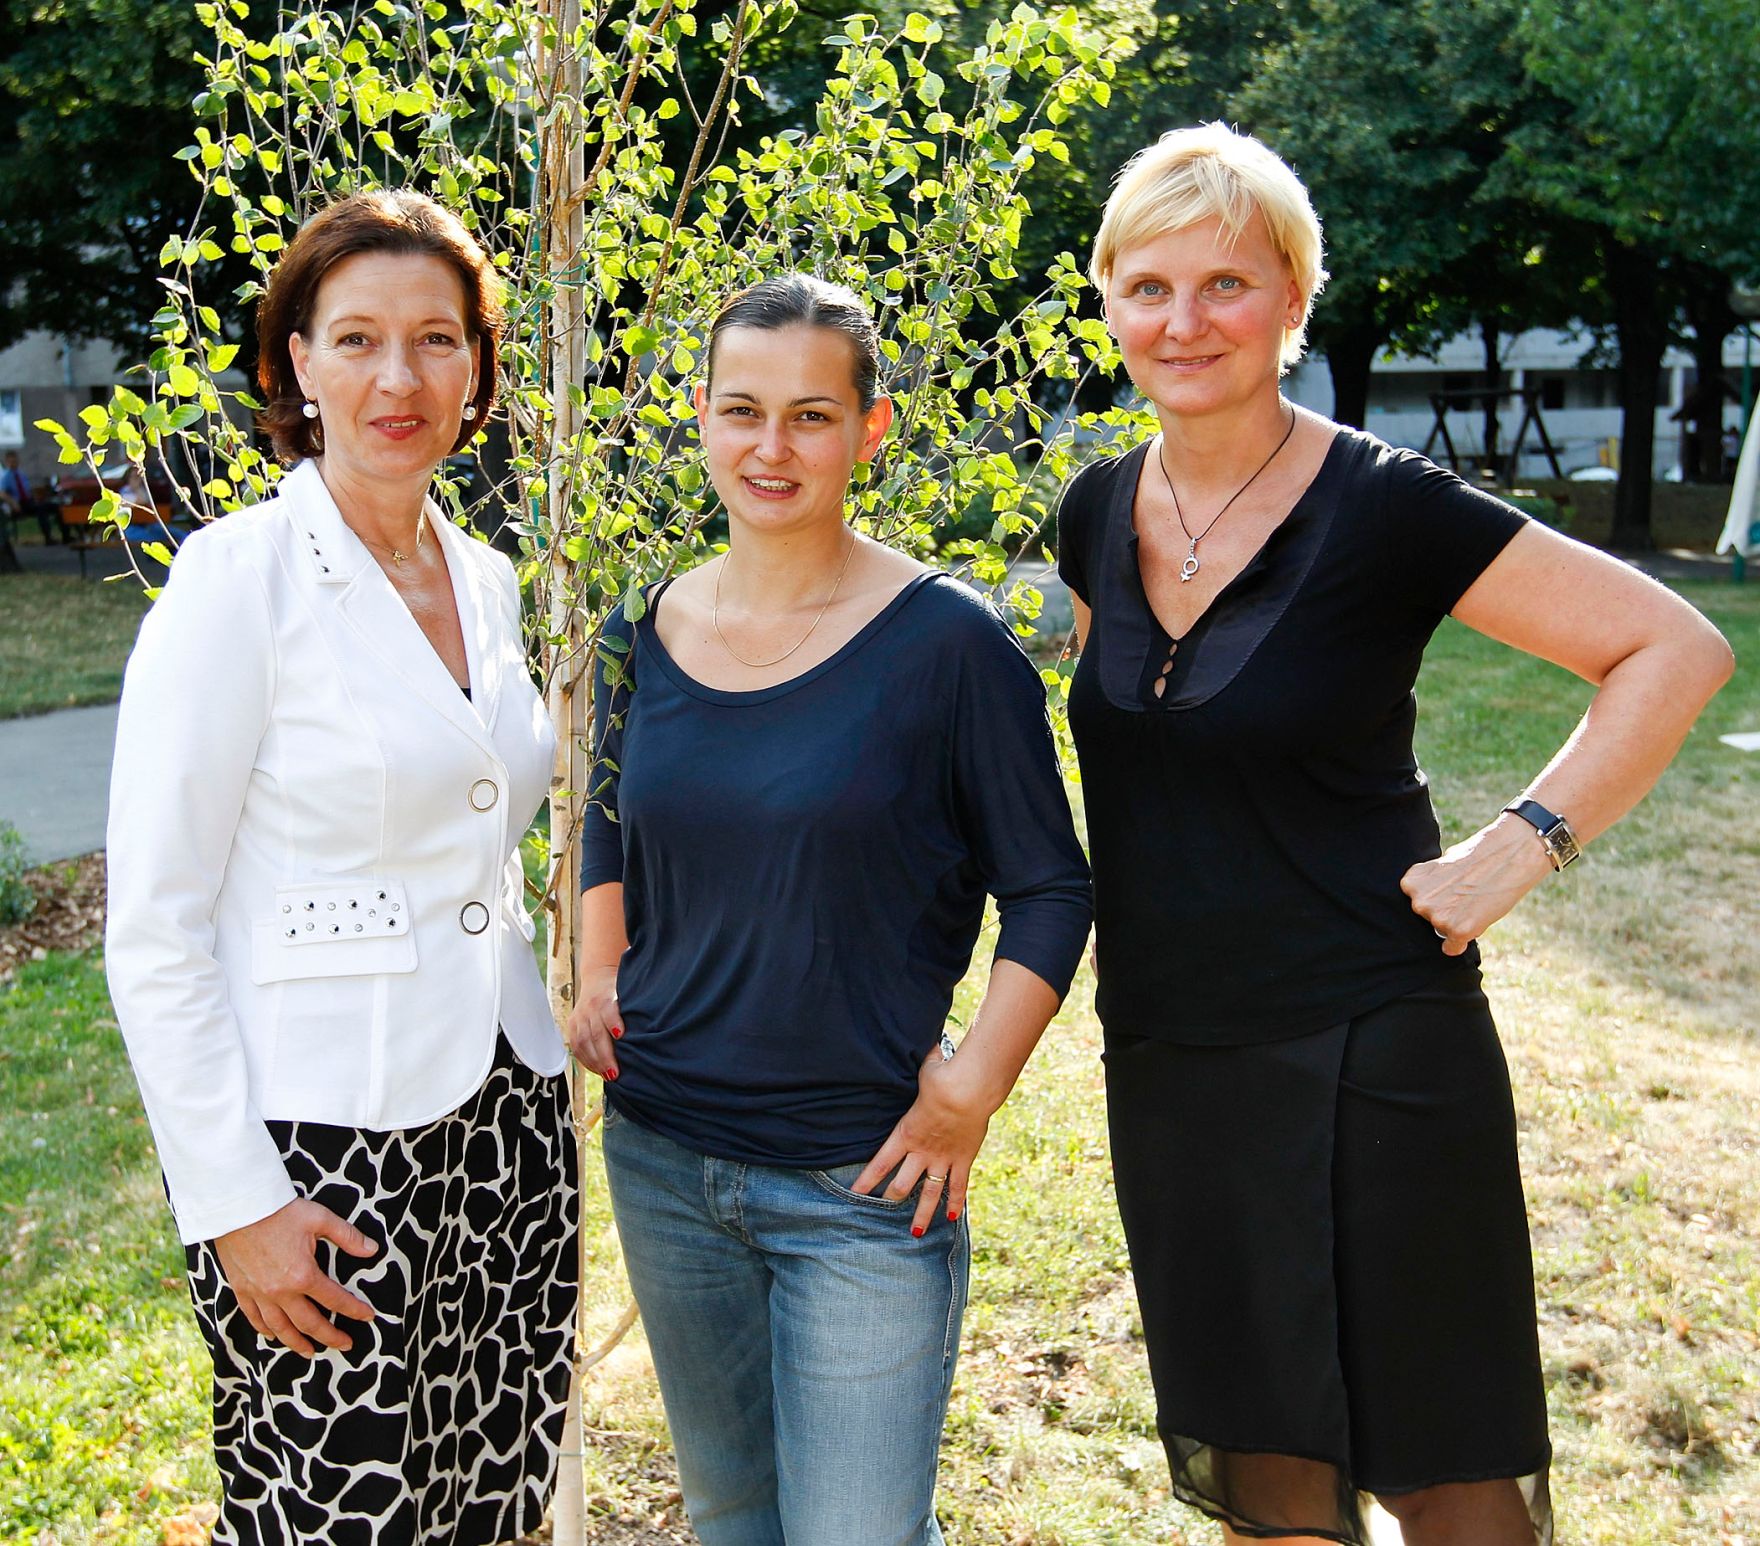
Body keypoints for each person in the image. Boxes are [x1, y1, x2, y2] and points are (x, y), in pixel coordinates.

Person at [1057, 123, 1735, 1546]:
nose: (1184, 321)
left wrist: (1523, 841)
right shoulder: (1095, 509)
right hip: (1175, 1056)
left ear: (1292, 301)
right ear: (1108, 300)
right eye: (1148, 286)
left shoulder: (1384, 503)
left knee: (1447, 1477)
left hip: (1377, 1042)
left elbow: (1671, 647)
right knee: (1265, 1486)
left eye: (1225, 284)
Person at [569, 273, 1092, 1546]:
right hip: (662, 1153)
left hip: (860, 1179)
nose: (771, 447)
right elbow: (609, 810)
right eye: (741, 410)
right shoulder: (644, 624)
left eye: (810, 415)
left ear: (870, 430)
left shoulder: (948, 645)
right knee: (731, 1516)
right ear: (700, 417)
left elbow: (1049, 886)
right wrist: (597, 969)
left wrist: (969, 1088)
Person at [105, 190, 577, 1545]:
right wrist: (235, 1203)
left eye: (437, 339)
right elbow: (155, 927)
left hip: (505, 1124)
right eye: (358, 338)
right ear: (298, 363)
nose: (398, 378)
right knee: (330, 1516)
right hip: (322, 1156)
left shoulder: (483, 577)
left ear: (476, 369)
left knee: (487, 1500)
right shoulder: (234, 581)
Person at [1, 449, 60, 542]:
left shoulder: (21, 475)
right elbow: (2, 493)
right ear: (7, 462)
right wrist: (13, 503)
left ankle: (66, 536)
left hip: (29, 502)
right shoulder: (5, 477)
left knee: (56, 506)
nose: (13, 464)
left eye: (15, 461)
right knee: (41, 509)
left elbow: (28, 490)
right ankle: (48, 538)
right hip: (18, 505)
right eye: (11, 462)